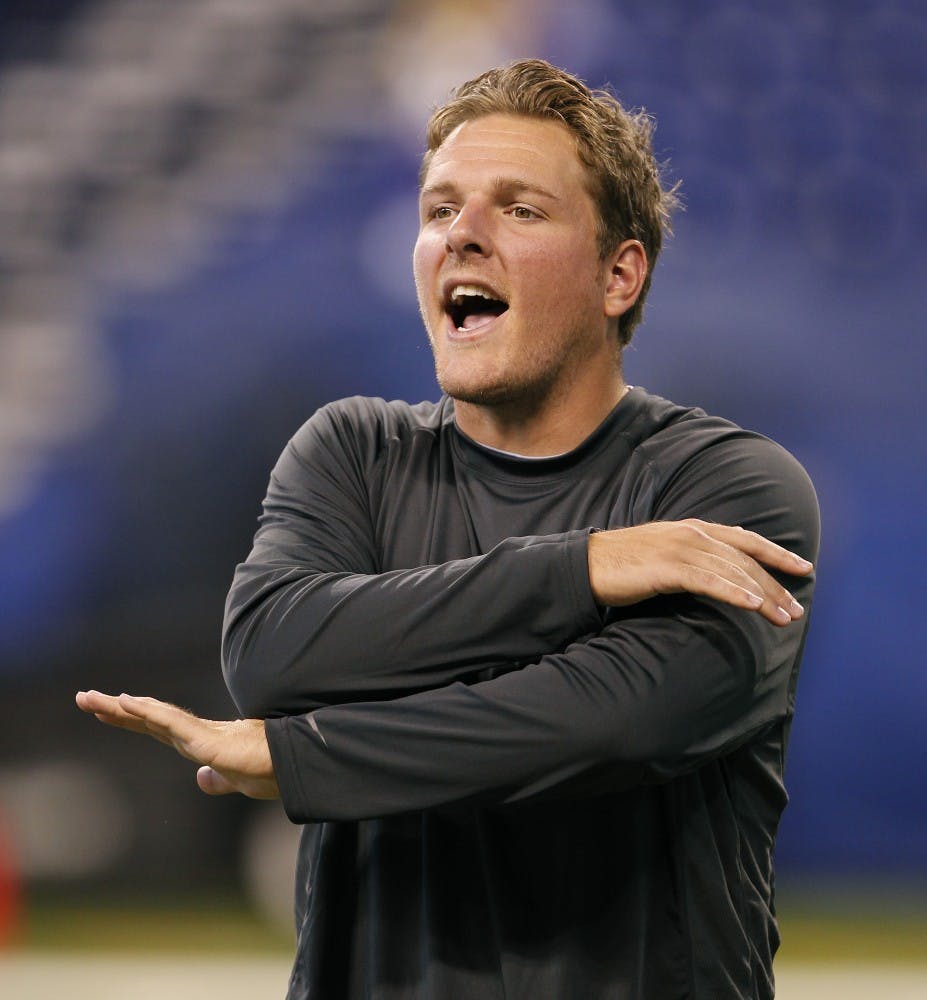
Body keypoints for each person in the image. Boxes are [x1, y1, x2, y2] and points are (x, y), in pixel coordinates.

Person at [77, 59, 819, 999]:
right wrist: (583, 569)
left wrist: (304, 756)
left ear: (618, 275)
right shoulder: (352, 454)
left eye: (520, 209)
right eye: (438, 209)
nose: (461, 233)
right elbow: (272, 653)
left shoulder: (729, 488)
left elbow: (618, 720)